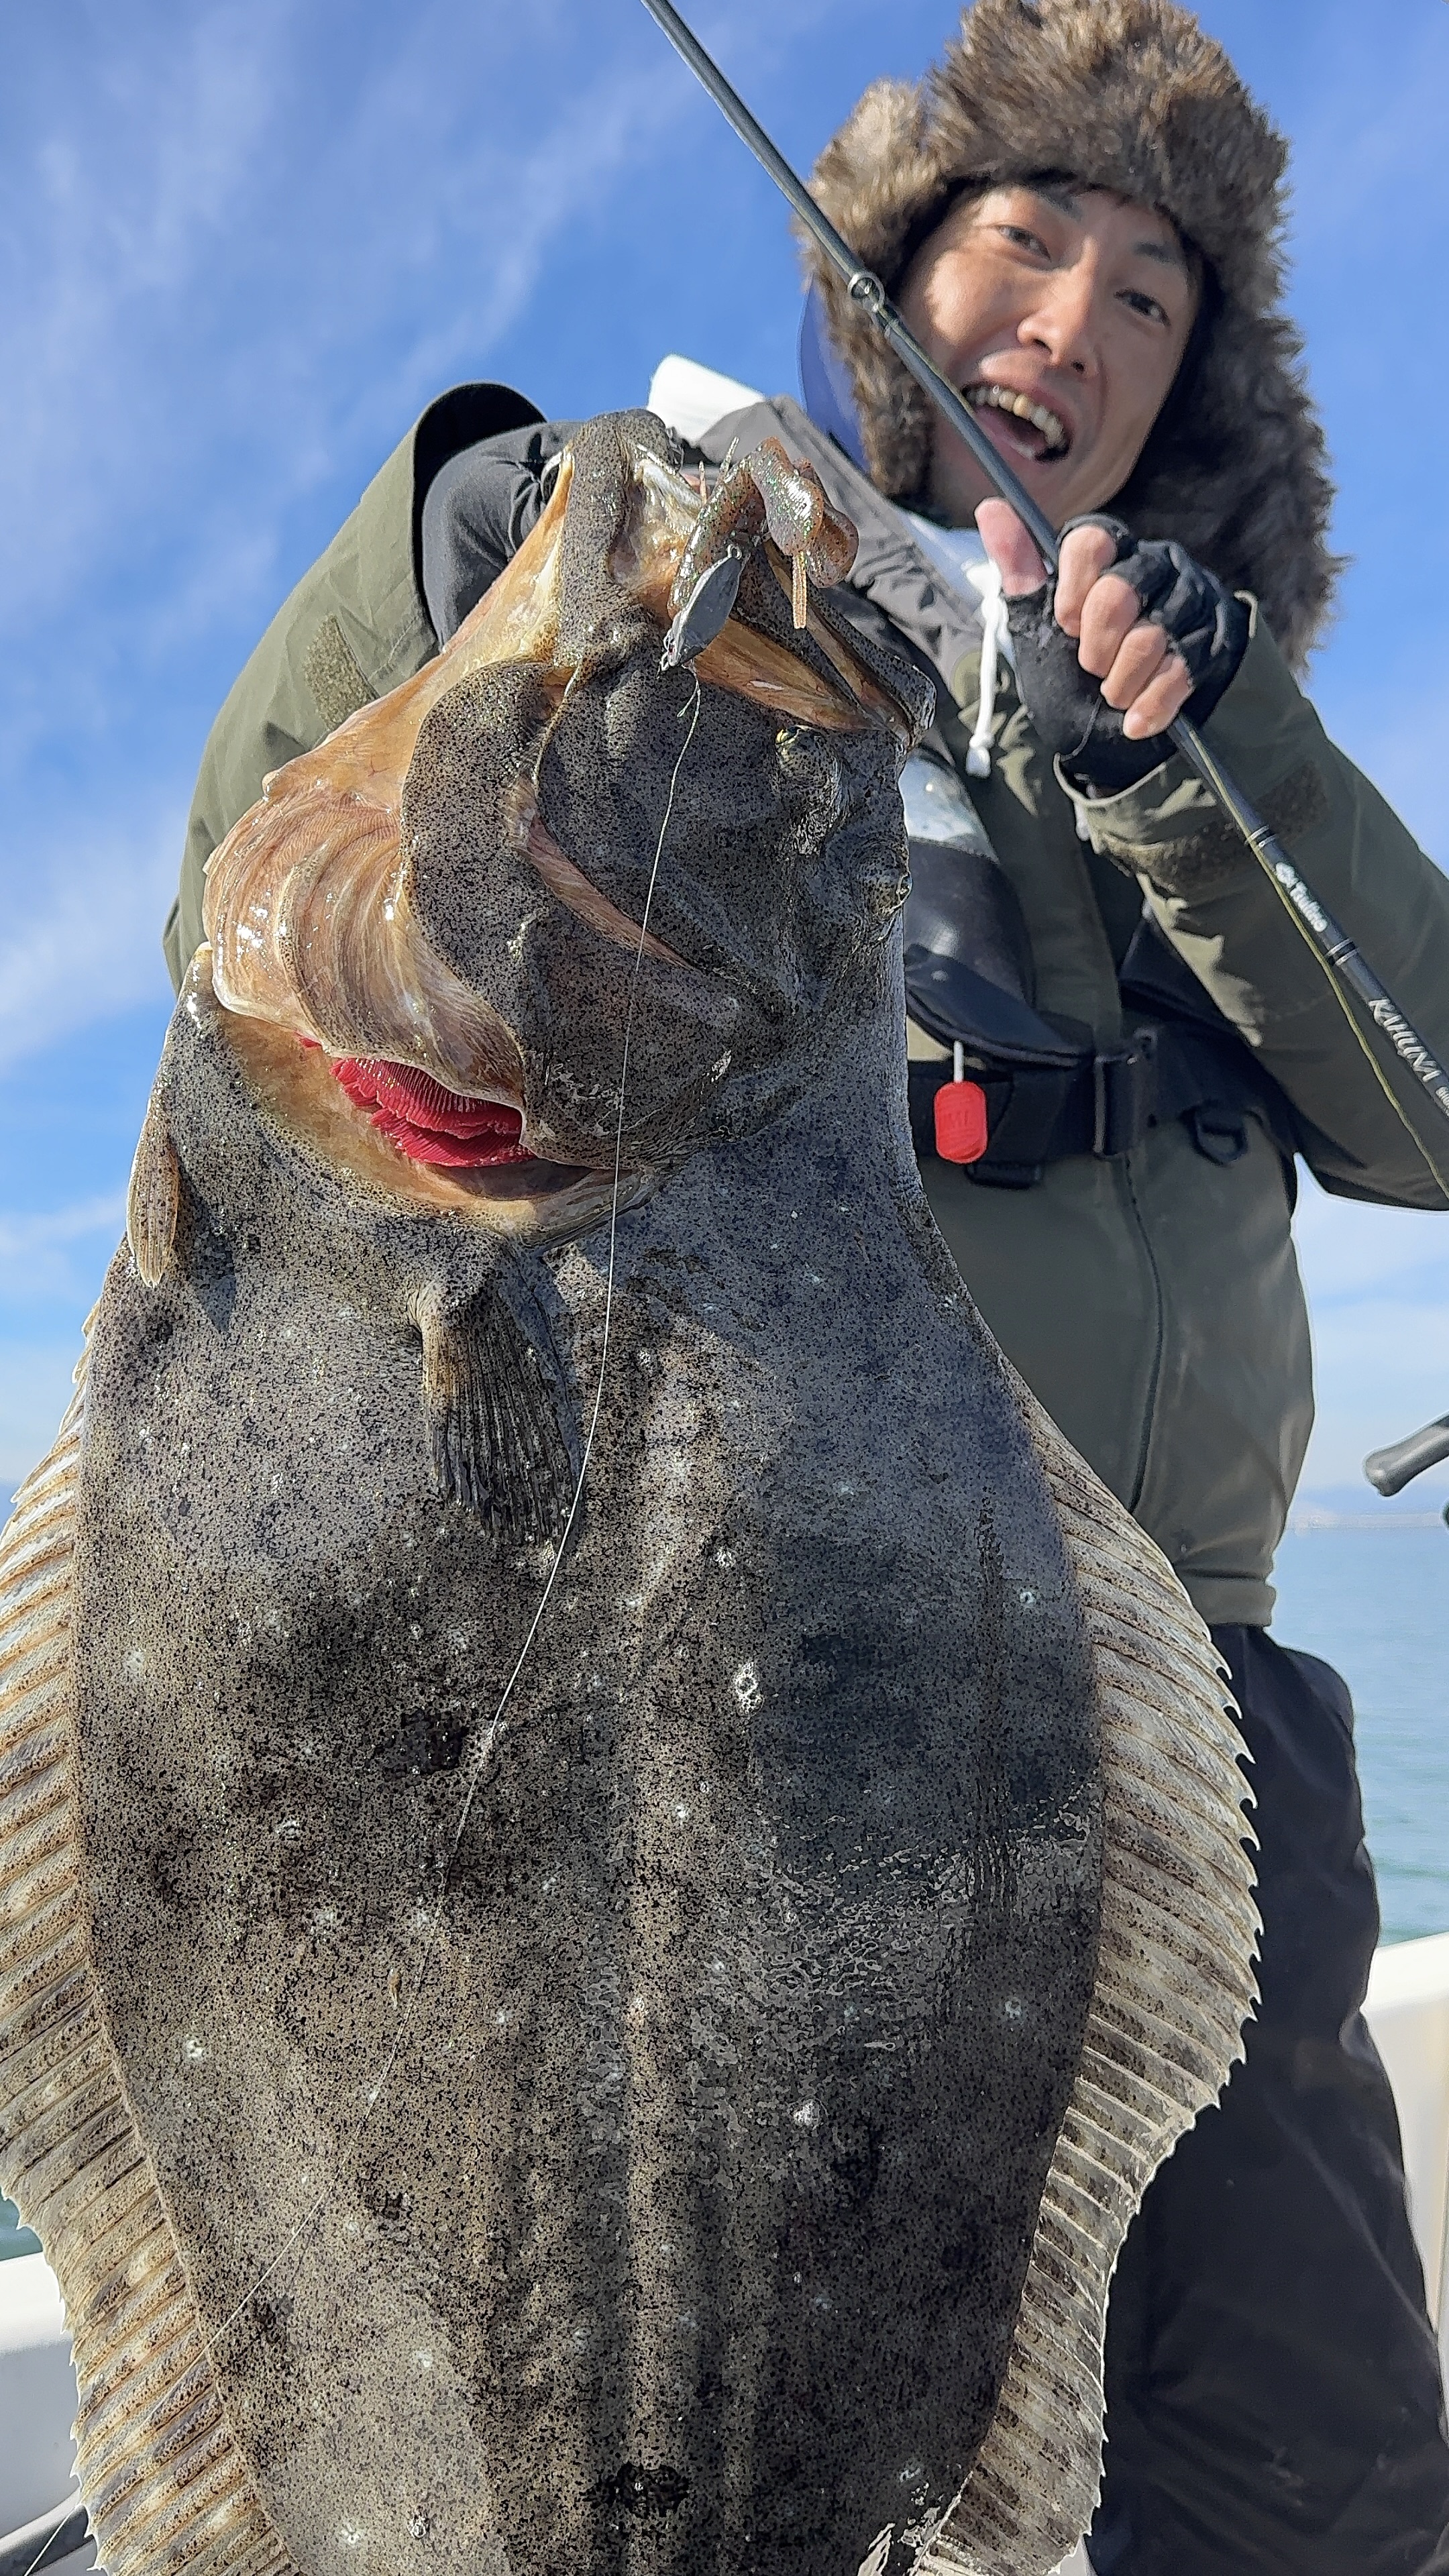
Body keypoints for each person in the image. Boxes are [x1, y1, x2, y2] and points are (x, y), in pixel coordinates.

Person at [164, 1, 1449, 2565]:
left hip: (1201, 1708)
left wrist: (1202, 765)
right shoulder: (690, 584)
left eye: (1151, 295)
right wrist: (429, 550)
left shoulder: (1203, 723)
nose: (1071, 325)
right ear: (894, 277)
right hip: (776, 1674)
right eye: (1021, 241)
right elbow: (258, 914)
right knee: (734, 2422)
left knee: (1313, 2467)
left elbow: (1427, 1098)